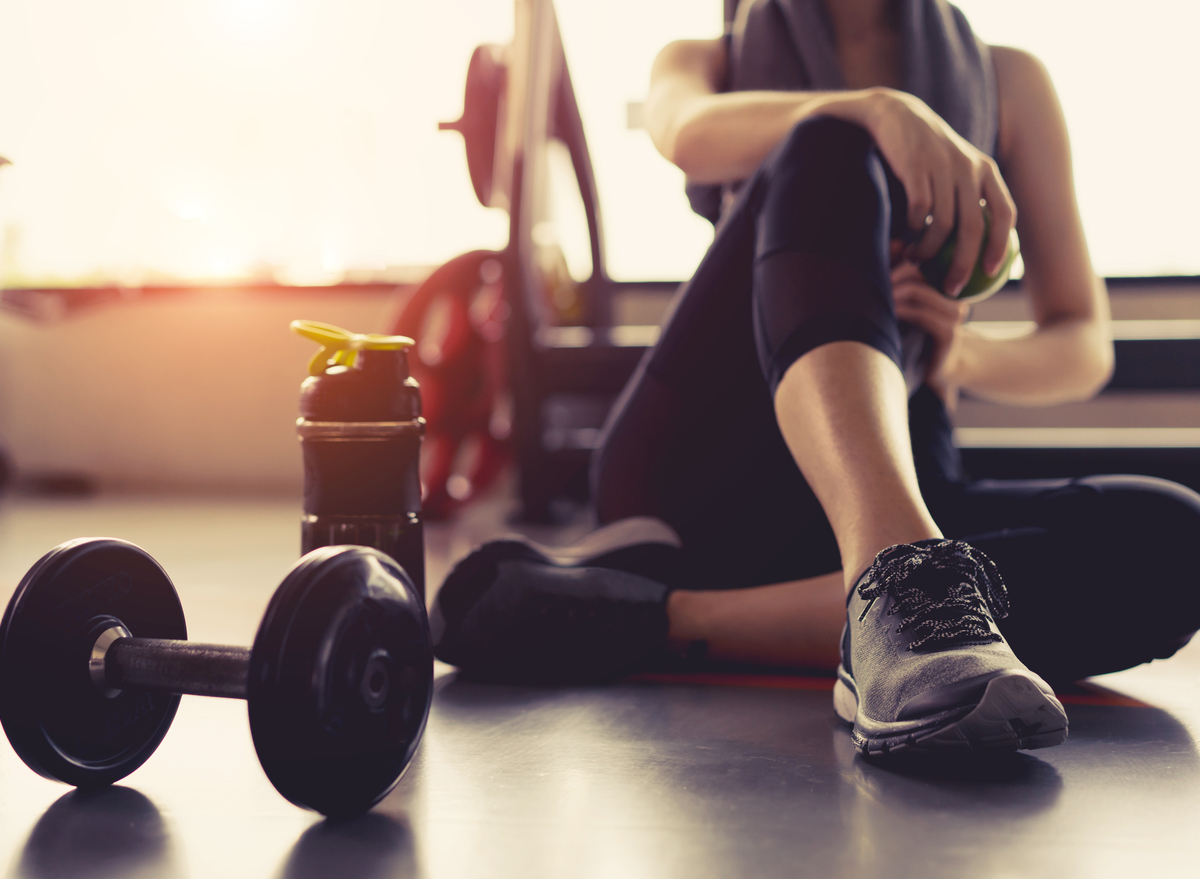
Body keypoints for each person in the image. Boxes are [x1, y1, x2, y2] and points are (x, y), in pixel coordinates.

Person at [430, 0, 1200, 756]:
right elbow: (686, 133)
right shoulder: (705, 59)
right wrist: (877, 111)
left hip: (904, 463)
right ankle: (899, 589)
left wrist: (962, 356)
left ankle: (665, 616)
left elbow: (1082, 342)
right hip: (706, 464)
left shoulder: (1012, 81)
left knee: (1177, 542)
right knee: (831, 142)